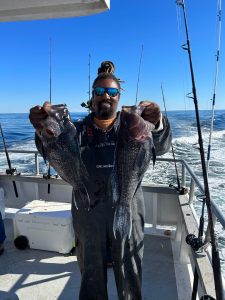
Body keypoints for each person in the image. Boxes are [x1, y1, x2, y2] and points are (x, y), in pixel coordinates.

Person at [29, 61, 172, 300]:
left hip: (129, 207)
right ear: (92, 97)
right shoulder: (75, 130)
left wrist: (157, 123)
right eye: (99, 91)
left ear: (118, 97)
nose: (106, 95)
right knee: (91, 275)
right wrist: (42, 128)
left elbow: (162, 146)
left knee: (130, 274)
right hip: (87, 212)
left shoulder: (132, 126)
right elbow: (55, 150)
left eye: (112, 91)